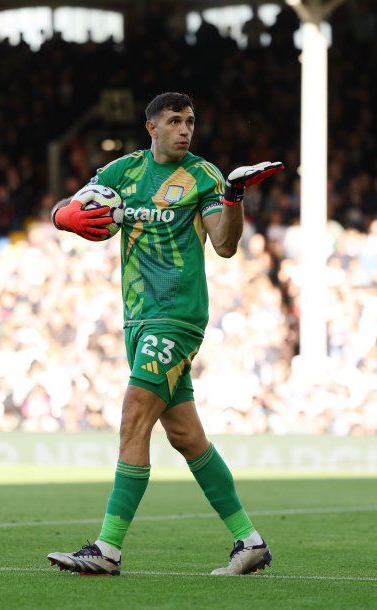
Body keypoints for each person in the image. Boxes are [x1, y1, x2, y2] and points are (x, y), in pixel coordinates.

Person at [47, 92, 284, 576]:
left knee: (135, 417)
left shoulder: (203, 176)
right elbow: (71, 206)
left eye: (191, 121)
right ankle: (250, 542)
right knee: (185, 435)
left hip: (176, 316)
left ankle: (107, 549)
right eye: (175, 120)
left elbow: (224, 245)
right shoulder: (121, 173)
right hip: (137, 318)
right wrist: (63, 217)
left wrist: (234, 198)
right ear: (150, 127)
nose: (185, 129)